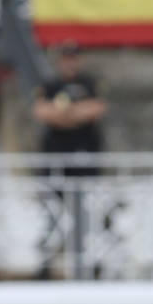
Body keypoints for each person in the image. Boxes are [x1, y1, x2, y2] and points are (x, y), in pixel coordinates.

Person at [33, 42, 107, 278]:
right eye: (66, 58)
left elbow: (96, 109)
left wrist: (65, 115)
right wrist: (74, 115)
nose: (70, 62)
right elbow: (42, 112)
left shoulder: (90, 84)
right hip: (56, 161)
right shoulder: (50, 85)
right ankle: (46, 265)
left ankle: (91, 263)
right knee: (51, 214)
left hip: (84, 160)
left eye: (73, 57)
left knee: (88, 213)